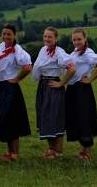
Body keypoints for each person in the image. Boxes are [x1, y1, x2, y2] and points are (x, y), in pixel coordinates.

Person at [0, 24, 32, 161]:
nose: (6, 36)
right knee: (3, 119)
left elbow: (27, 67)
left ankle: (15, 153)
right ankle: (9, 151)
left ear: (14, 35)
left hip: (9, 87)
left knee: (12, 119)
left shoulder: (18, 51)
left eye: (9, 34)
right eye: (4, 34)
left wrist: (16, 79)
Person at [32, 27, 76, 159]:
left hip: (53, 86)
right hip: (43, 86)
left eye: (50, 37)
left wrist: (61, 83)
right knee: (44, 115)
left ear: (56, 38)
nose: (47, 39)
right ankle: (51, 149)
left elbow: (72, 69)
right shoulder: (43, 50)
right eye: (45, 36)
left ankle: (58, 151)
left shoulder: (59, 52)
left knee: (55, 117)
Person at [66, 28, 97, 160]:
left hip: (82, 89)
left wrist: (89, 79)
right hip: (72, 89)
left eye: (79, 39)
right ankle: (82, 150)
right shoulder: (74, 53)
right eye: (74, 39)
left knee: (85, 118)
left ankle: (87, 151)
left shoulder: (88, 53)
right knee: (76, 118)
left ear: (85, 40)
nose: (77, 42)